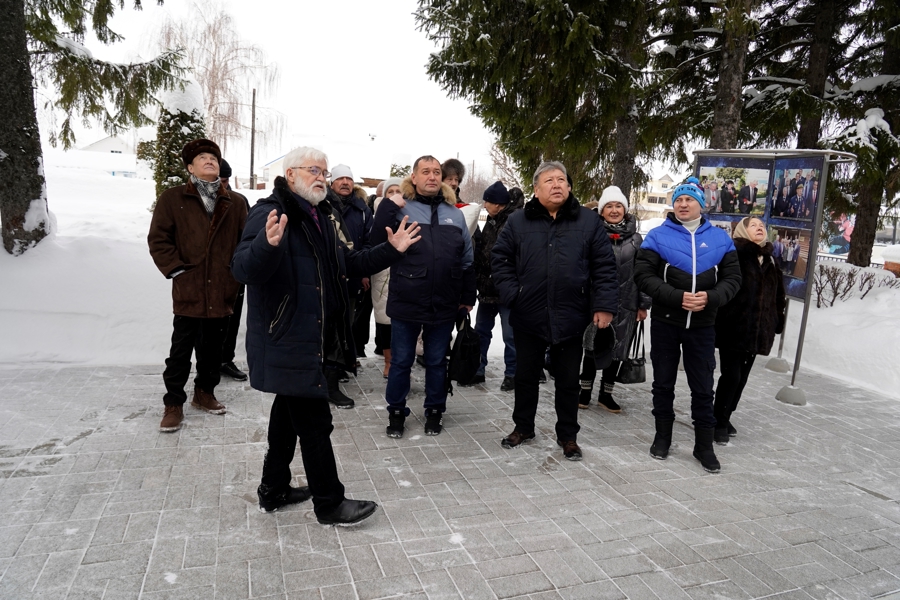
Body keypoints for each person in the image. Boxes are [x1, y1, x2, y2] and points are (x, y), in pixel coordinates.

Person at [231, 146, 421, 524]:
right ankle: (329, 503)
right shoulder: (271, 212)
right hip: (287, 336)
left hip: (314, 335)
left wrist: (391, 250)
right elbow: (241, 268)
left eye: (323, 170)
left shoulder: (322, 215)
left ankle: (273, 490)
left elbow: (348, 264)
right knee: (315, 422)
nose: (321, 176)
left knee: (288, 415)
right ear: (290, 176)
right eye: (312, 170)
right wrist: (267, 247)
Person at [492, 161, 619, 461]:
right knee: (525, 377)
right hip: (529, 314)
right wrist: (515, 294)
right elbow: (500, 259)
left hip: (571, 315)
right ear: (536, 190)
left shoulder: (588, 221)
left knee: (568, 381)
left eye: (562, 179)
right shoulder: (518, 221)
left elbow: (604, 266)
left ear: (570, 187)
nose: (557, 184)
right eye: (549, 180)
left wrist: (603, 306)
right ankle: (523, 427)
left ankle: (568, 437)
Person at [634, 176, 742, 472]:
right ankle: (662, 437)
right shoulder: (657, 236)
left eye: (689, 199)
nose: (683, 204)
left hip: (704, 325)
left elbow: (734, 280)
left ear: (701, 204)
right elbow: (643, 275)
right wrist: (676, 297)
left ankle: (703, 446)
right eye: (678, 199)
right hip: (667, 323)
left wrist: (710, 297)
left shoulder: (721, 239)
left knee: (703, 388)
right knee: (663, 384)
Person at [372, 155, 476, 439]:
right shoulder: (401, 209)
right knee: (402, 361)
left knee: (436, 361)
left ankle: (434, 410)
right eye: (425, 172)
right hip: (407, 299)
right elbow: (375, 239)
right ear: (414, 178)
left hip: (445, 301)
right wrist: (390, 203)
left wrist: (467, 294)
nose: (432, 176)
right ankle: (396, 411)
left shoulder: (454, 213)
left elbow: (466, 258)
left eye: (436, 172)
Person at [148, 139, 248, 432]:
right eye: (202, 157)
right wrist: (177, 270)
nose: (209, 161)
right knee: (180, 350)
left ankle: (205, 393)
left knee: (213, 350)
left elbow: (245, 244)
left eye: (213, 158)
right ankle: (174, 403)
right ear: (190, 167)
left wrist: (236, 275)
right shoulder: (173, 198)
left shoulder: (236, 202)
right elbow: (158, 239)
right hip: (189, 289)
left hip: (222, 288)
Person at [713, 217, 786, 445]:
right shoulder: (734, 254)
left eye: (762, 225)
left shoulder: (770, 259)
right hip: (734, 326)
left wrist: (777, 320)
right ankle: (719, 420)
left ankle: (726, 414)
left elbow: (778, 295)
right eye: (753, 225)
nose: (759, 228)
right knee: (732, 375)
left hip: (758, 330)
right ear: (743, 231)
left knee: (742, 377)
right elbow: (721, 287)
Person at [577, 186, 650, 412]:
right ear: (601, 210)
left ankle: (606, 394)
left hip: (626, 303)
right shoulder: (591, 234)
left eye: (619, 206)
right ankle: (584, 391)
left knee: (618, 349)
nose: (614, 210)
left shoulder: (636, 239)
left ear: (625, 210)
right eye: (609, 206)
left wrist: (643, 304)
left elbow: (644, 272)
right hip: (596, 302)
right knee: (592, 346)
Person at [471, 180, 519, 391]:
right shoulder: (490, 222)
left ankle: (512, 374)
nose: (484, 205)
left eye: (487, 201)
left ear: (498, 204)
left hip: (507, 291)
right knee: (481, 331)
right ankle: (478, 370)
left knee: (510, 335)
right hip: (487, 289)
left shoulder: (513, 223)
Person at [327, 164, 374, 365]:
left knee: (349, 319)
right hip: (329, 275)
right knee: (329, 320)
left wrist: (364, 272)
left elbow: (368, 242)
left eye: (349, 179)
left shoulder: (362, 210)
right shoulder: (323, 204)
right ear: (332, 182)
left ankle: (347, 358)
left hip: (353, 276)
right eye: (340, 179)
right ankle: (330, 362)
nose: (345, 182)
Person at [217, 157, 252, 382]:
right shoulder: (194, 199)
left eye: (225, 180)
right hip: (204, 273)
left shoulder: (238, 201)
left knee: (232, 316)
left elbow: (247, 235)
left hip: (233, 271)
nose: (221, 184)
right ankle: (207, 363)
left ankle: (225, 360)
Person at [370, 177, 403, 378]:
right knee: (384, 319)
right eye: (390, 192)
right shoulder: (379, 215)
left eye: (398, 191)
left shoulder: (410, 212)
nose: (394, 195)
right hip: (383, 271)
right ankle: (388, 362)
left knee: (402, 320)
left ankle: (401, 360)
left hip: (404, 270)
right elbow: (374, 240)